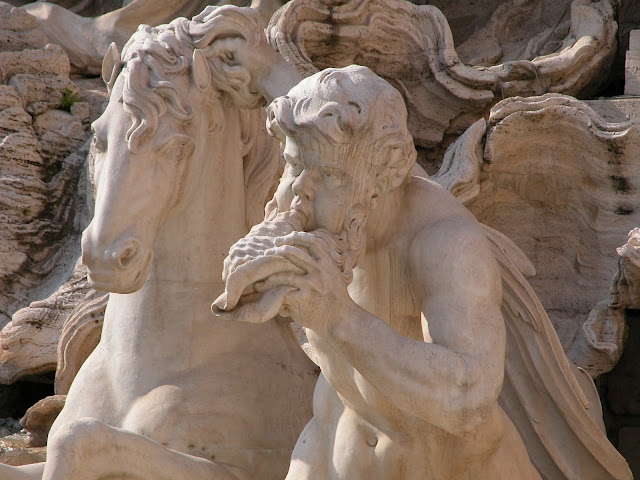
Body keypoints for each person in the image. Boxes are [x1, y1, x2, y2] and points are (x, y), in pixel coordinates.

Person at [215, 63, 633, 479]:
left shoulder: (445, 244)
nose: (301, 190)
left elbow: (468, 397)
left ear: (381, 176)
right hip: (330, 451)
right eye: (293, 164)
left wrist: (337, 317)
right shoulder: (333, 233)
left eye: (328, 174)